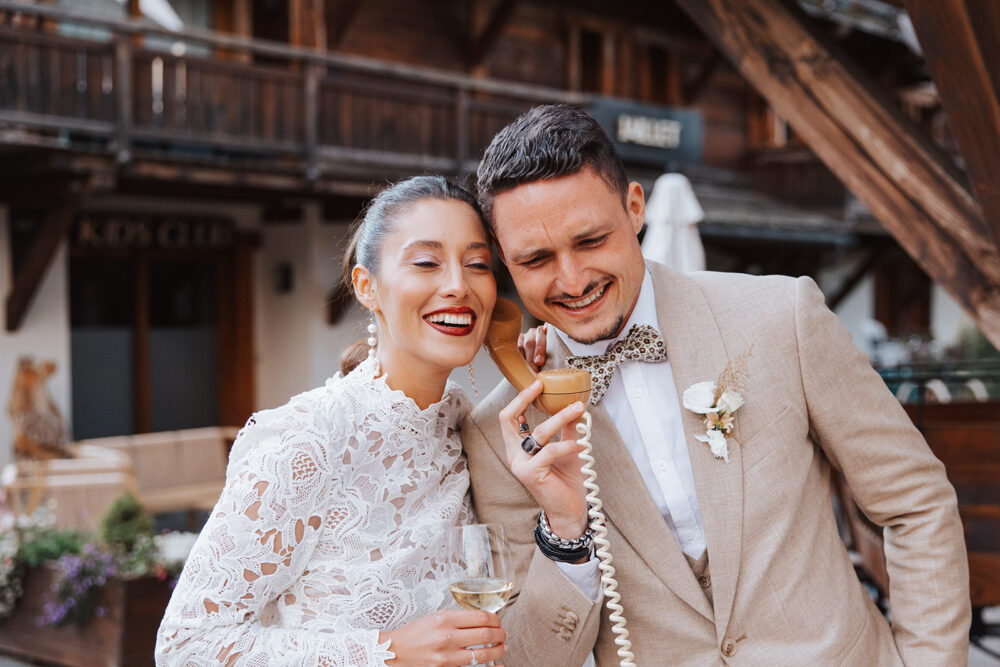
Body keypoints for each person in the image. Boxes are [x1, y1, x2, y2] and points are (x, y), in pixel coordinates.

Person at [462, 105, 971, 665]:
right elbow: (531, 659)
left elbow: (914, 503)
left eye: (590, 240)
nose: (573, 279)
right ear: (505, 263)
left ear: (635, 209)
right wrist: (566, 534)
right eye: (535, 259)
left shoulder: (782, 316)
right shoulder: (499, 433)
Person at [156, 175, 593, 666]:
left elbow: (525, 650)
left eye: (477, 265)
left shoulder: (472, 432)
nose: (457, 286)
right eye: (426, 263)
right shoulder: (307, 439)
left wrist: (566, 521)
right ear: (367, 287)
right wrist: (384, 652)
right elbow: (185, 646)